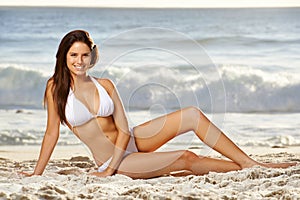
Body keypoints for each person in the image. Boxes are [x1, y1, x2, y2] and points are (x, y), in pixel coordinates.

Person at [23, 30, 296, 179]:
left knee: (191, 114)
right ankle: (247, 168)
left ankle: (250, 163)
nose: (79, 61)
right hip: (114, 159)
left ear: (91, 57)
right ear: (64, 56)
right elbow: (51, 134)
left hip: (129, 142)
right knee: (187, 158)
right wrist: (37, 172)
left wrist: (115, 161)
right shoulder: (55, 88)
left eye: (84, 55)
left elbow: (124, 128)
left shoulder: (104, 85)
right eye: (73, 55)